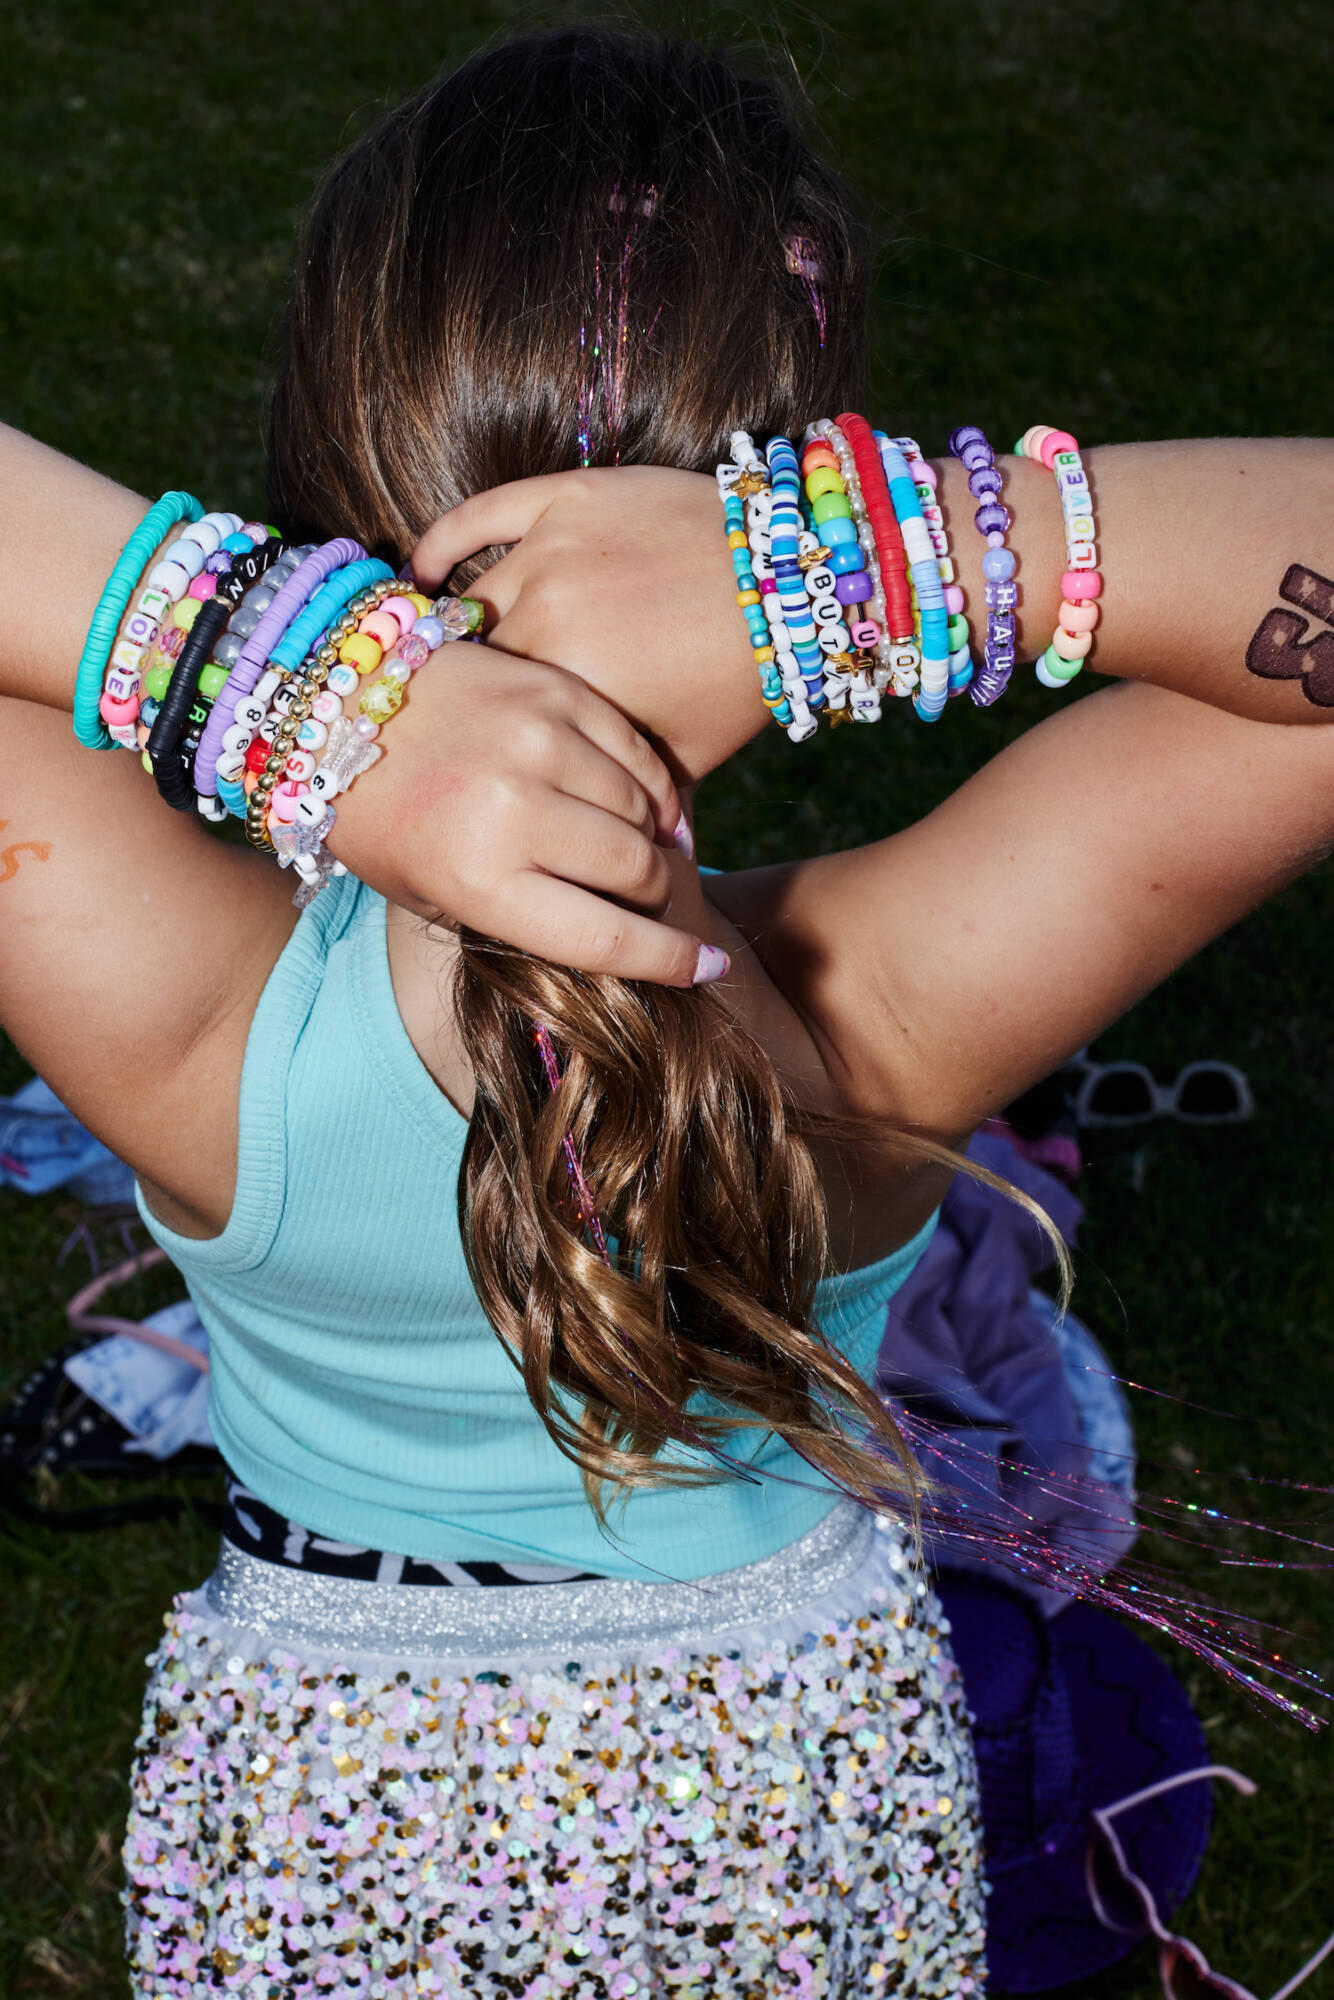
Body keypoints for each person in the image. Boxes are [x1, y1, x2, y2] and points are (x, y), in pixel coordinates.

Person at [2, 25, 1332, 1999]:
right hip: (793, 1842)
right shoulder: (876, 1017)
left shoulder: (194, 1027)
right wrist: (862, 572)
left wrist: (283, 669)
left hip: (323, 1854)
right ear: (787, 477)